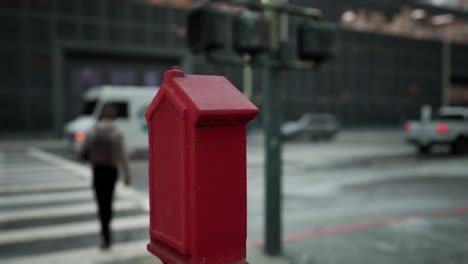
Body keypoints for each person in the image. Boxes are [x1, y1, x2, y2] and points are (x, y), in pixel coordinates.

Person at [80, 103, 131, 250]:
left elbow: (82, 149)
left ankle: (105, 235)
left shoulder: (92, 130)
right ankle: (108, 225)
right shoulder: (118, 132)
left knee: (100, 202)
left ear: (102, 115)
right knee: (109, 201)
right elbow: (123, 156)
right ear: (114, 116)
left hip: (98, 171)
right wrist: (127, 174)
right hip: (111, 170)